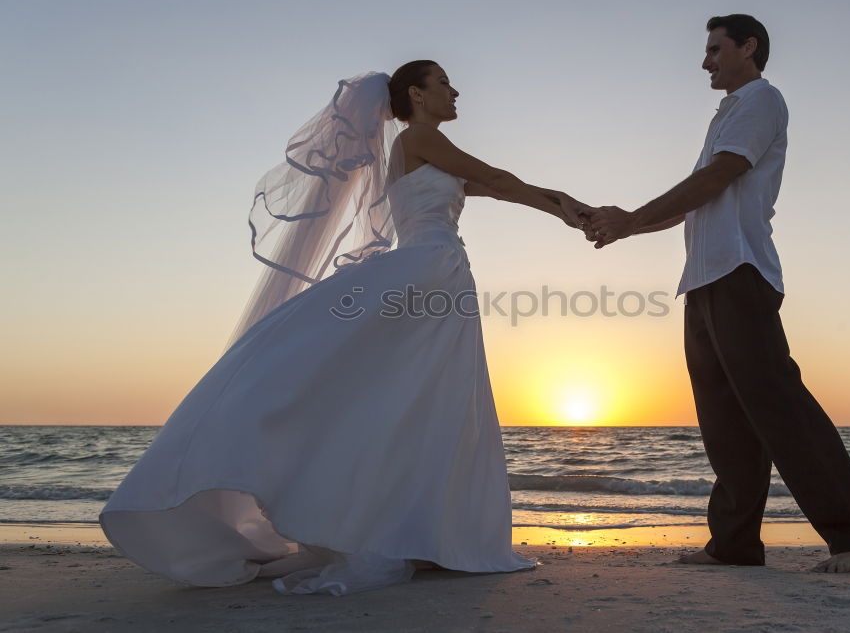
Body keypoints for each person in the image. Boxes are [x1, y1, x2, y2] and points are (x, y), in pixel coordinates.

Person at [99, 61, 594, 595]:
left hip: (439, 270)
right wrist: (569, 205)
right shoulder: (420, 138)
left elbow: (493, 189)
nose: (455, 91)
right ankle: (416, 530)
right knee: (426, 394)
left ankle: (419, 531)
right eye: (444, 82)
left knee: (422, 396)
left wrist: (562, 206)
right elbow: (498, 177)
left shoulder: (422, 152)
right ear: (417, 96)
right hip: (429, 271)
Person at [583, 14, 850, 573]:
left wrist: (629, 218)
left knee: (777, 402)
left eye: (714, 49)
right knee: (724, 419)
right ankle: (734, 544)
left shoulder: (760, 99)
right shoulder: (727, 113)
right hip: (703, 280)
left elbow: (720, 176)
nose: (705, 61)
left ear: (747, 48)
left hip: (740, 271)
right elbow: (692, 201)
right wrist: (627, 225)